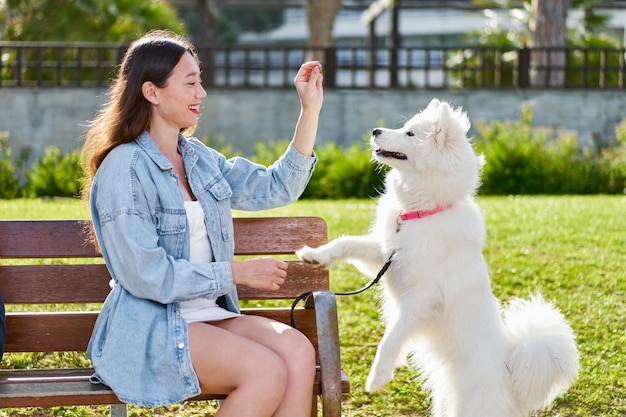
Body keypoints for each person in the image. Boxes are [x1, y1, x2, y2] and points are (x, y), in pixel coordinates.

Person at [80, 29, 323, 417]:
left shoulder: (198, 158)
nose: (201, 93)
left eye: (200, 81)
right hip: (152, 326)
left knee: (297, 352)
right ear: (151, 92)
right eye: (191, 83)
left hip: (207, 316)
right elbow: (146, 274)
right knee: (265, 371)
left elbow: (276, 187)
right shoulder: (124, 169)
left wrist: (309, 109)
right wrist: (234, 273)